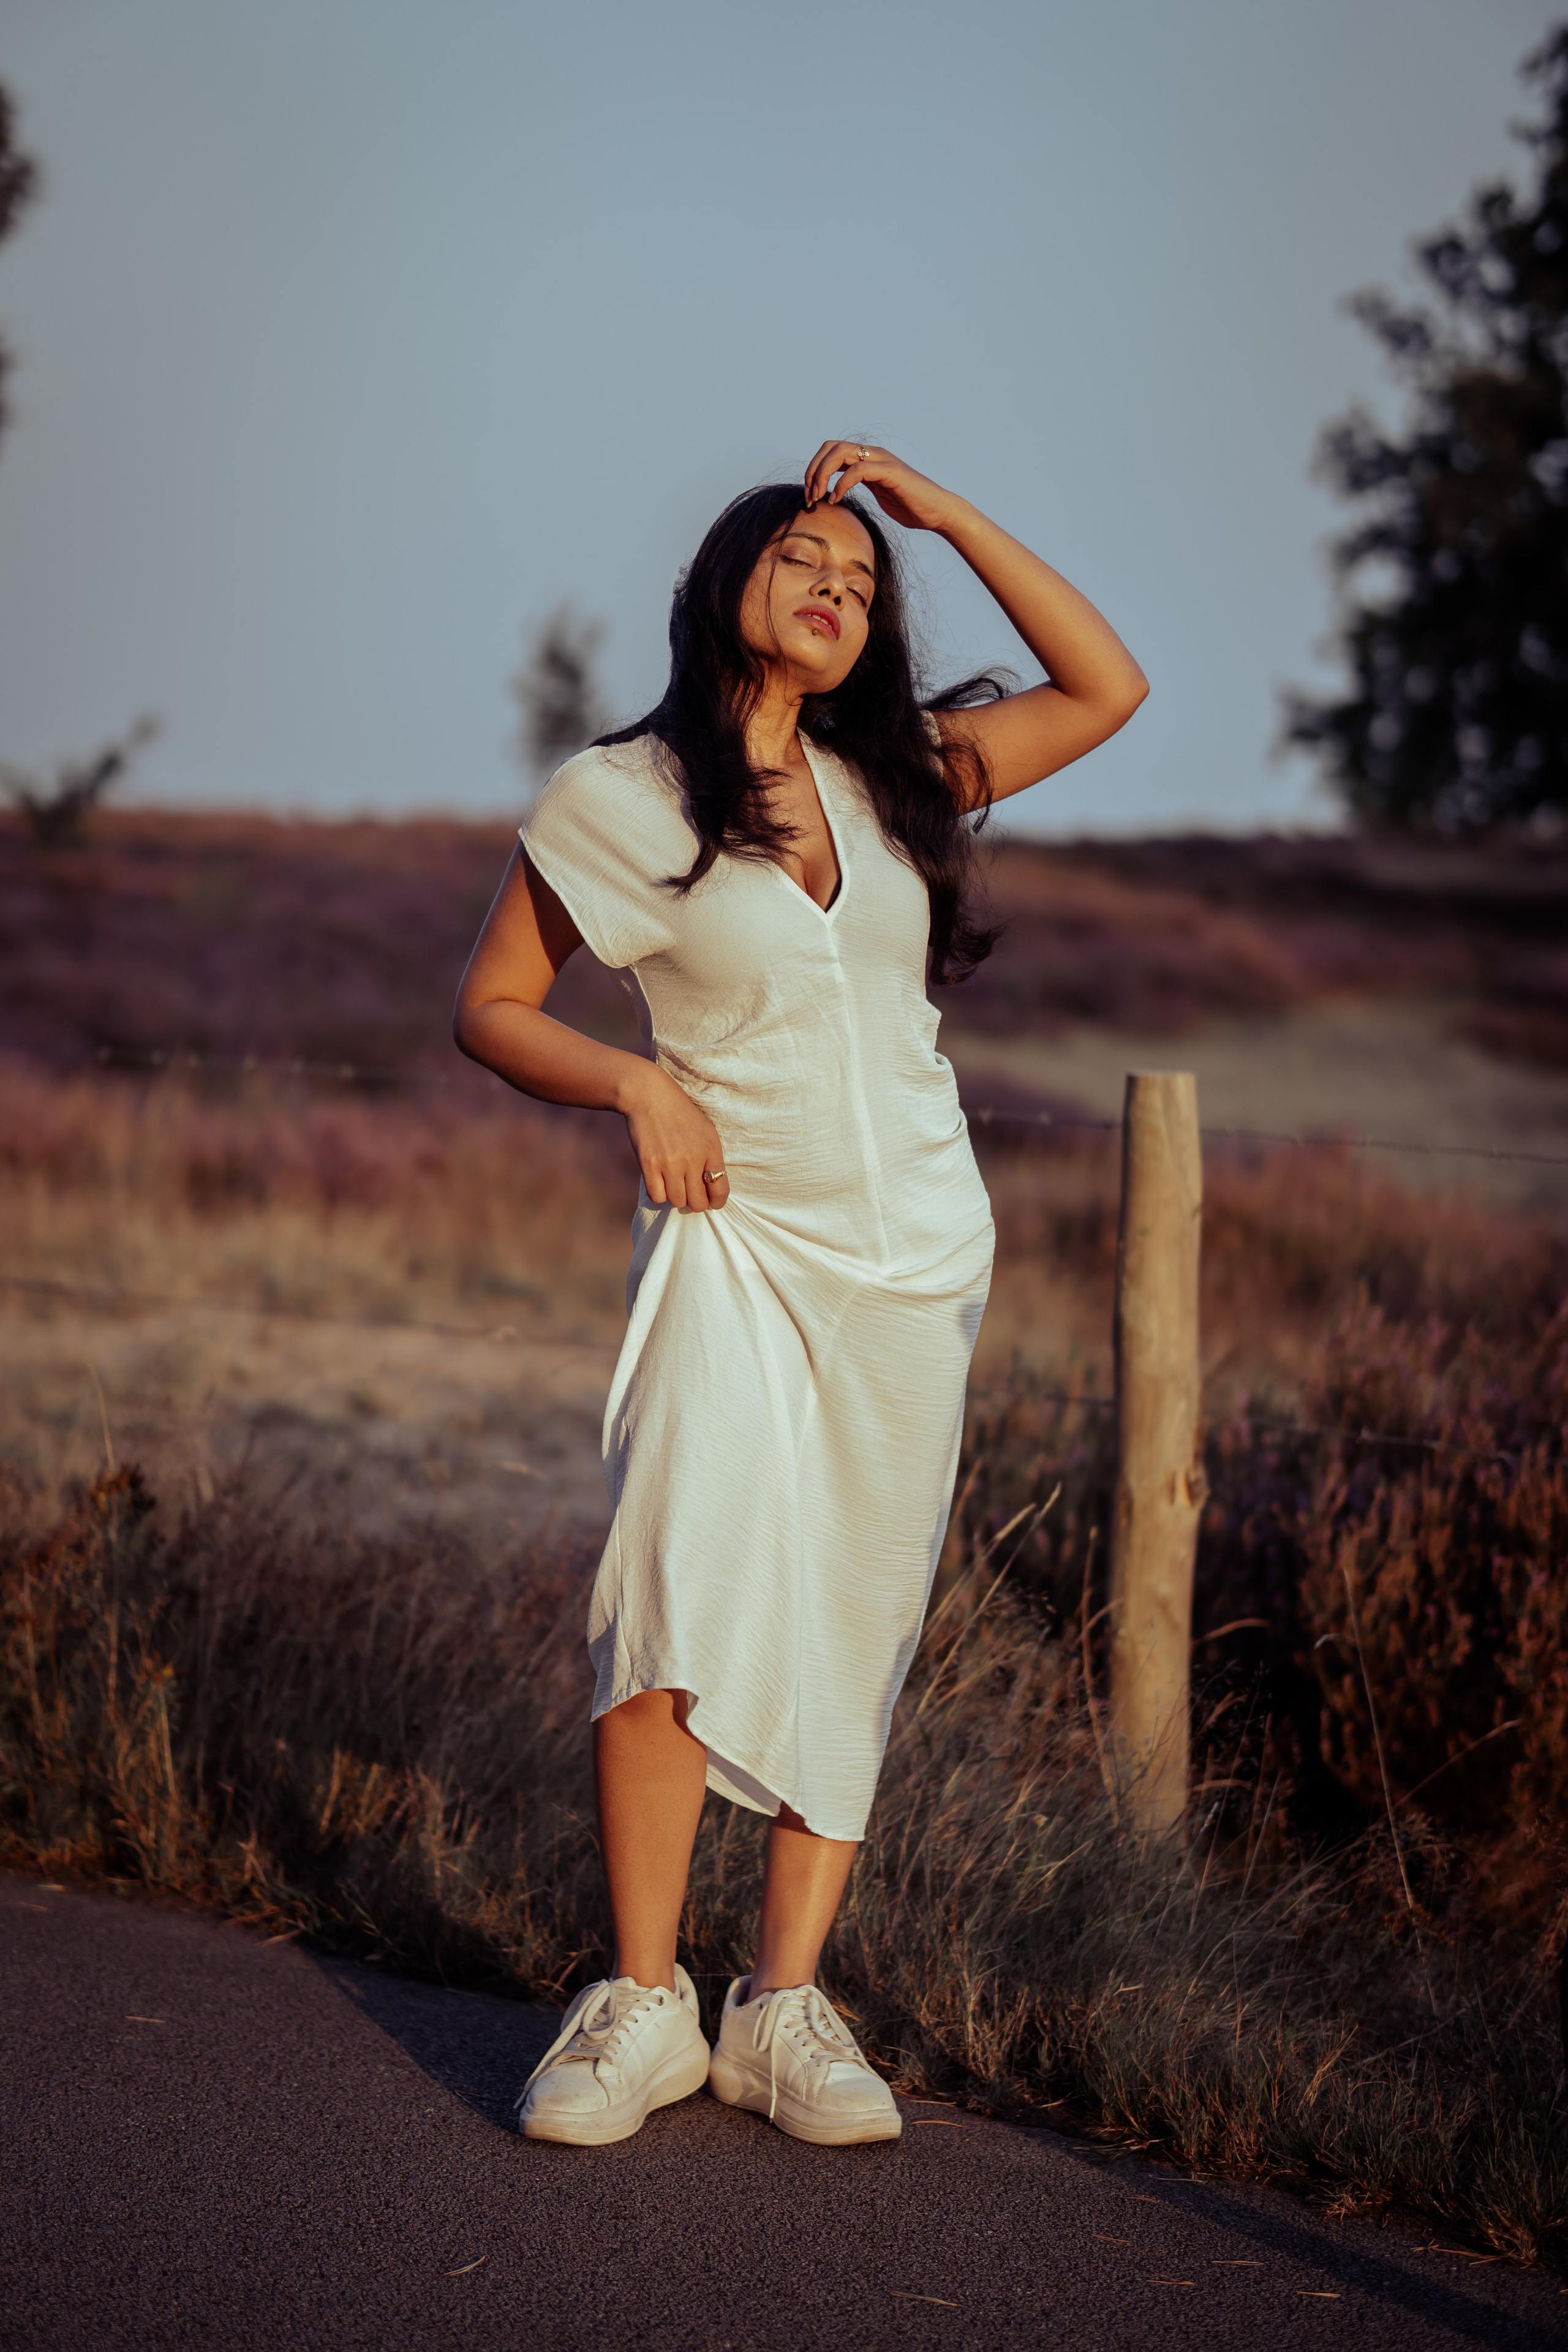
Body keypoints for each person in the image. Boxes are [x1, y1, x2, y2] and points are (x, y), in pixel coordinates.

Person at [453, 440, 1146, 2149]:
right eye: (803, 563)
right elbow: (496, 1005)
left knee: (852, 1614)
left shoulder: (896, 773)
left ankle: (782, 2008)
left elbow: (1108, 686)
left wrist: (943, 512)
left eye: (860, 581)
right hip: (736, 1246)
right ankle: (638, 2001)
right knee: (673, 1585)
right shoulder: (622, 797)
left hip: (916, 1262)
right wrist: (636, 1087)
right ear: (726, 583)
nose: (835, 589)